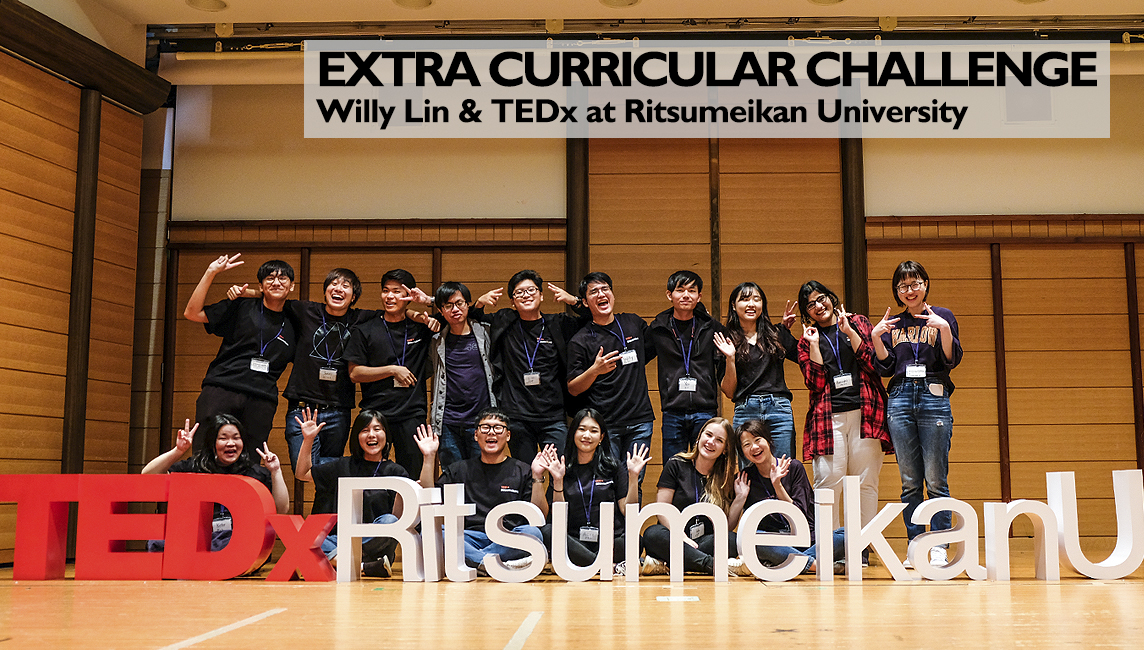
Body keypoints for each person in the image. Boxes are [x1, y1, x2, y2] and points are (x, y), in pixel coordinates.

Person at [228, 267, 374, 472]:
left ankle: (341, 482)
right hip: (302, 408)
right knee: (302, 469)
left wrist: (420, 314)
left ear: (353, 297)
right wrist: (248, 292)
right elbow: (276, 298)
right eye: (333, 284)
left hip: (338, 410)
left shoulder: (361, 318)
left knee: (329, 476)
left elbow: (393, 314)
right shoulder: (306, 310)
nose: (338, 288)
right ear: (325, 292)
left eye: (345, 285)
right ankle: (350, 471)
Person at [872, 260, 963, 568]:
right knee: (909, 479)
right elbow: (884, 367)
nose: (909, 291)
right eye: (902, 286)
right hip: (898, 397)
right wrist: (875, 338)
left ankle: (938, 545)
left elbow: (951, 360)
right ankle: (915, 544)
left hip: (933, 393)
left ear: (926, 283)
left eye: (915, 284)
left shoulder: (943, 317)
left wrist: (945, 330)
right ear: (897, 291)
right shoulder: (893, 324)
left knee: (936, 478)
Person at [796, 281, 892, 565]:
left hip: (865, 412)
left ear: (831, 298)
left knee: (865, 483)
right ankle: (831, 550)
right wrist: (813, 346)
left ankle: (860, 548)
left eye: (821, 299)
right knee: (828, 484)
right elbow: (814, 383)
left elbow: (874, 363)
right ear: (807, 312)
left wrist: (849, 332)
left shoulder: (858, 322)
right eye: (810, 304)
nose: (818, 306)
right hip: (828, 419)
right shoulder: (806, 340)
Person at [468, 270, 591, 465]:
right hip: (517, 416)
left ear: (541, 295)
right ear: (512, 301)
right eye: (519, 292)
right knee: (525, 473)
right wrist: (480, 303)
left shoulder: (557, 324)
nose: (525, 295)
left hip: (552, 416)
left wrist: (574, 301)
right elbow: (470, 318)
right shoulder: (504, 321)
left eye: (531, 290)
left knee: (561, 468)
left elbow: (592, 317)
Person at [184, 254, 297, 452]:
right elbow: (192, 313)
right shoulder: (241, 305)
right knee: (205, 453)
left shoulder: (296, 320)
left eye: (282, 278)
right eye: (270, 278)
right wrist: (211, 272)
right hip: (222, 388)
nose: (276, 282)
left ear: (292, 286)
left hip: (262, 399)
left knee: (250, 461)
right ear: (261, 286)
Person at [414, 408, 547, 572]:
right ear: (476, 435)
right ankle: (491, 564)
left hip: (508, 538)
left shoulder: (523, 470)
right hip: (468, 538)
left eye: (498, 428)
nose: (491, 433)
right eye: (485, 427)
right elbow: (430, 497)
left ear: (508, 435)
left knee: (533, 533)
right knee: (433, 531)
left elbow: (539, 514)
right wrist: (428, 457)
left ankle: (475, 561)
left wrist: (537, 476)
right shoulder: (459, 469)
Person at [567, 272, 656, 498]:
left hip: (639, 420)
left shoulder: (633, 323)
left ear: (613, 295)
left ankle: (630, 532)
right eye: (594, 292)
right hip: (607, 425)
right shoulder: (581, 339)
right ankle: (613, 532)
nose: (601, 294)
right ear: (585, 302)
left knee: (636, 480)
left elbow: (654, 346)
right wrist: (595, 370)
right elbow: (573, 387)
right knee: (608, 483)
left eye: (605, 289)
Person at [142, 414, 289, 551]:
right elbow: (148, 475)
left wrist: (276, 471)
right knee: (156, 544)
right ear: (212, 443)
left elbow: (282, 509)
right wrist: (178, 451)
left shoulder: (254, 472)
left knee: (227, 545)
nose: (231, 443)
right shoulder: (196, 466)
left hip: (237, 541)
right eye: (223, 438)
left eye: (236, 438)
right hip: (199, 536)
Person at [294, 408, 409, 578]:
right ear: (356, 436)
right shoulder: (343, 465)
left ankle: (337, 561)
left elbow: (398, 523)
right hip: (339, 541)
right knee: (306, 535)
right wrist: (308, 440)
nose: (371, 435)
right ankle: (364, 567)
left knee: (390, 521)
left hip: (374, 547)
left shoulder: (396, 471)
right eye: (365, 430)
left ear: (386, 435)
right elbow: (302, 474)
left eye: (377, 429)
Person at [345, 269, 437, 477]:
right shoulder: (365, 329)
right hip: (376, 414)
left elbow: (455, 310)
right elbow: (355, 373)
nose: (390, 296)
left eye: (397, 292)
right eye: (385, 291)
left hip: (412, 413)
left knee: (414, 474)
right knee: (369, 474)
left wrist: (427, 301)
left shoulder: (420, 326)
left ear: (408, 296)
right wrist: (392, 370)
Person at [538, 409, 650, 575]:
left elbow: (628, 511)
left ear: (601, 437)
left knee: (635, 540)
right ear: (573, 432)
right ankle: (606, 567)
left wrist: (633, 477)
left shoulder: (614, 467)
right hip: (575, 541)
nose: (587, 435)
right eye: (581, 429)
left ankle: (587, 565)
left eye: (593, 431)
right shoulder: (563, 467)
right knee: (548, 532)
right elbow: (557, 515)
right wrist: (558, 481)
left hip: (610, 541)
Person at [729, 419, 845, 575]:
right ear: (742, 452)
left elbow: (800, 514)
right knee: (752, 539)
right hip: (773, 543)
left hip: (807, 540)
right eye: (746, 445)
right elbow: (732, 526)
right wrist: (740, 498)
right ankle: (816, 565)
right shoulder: (745, 478)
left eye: (757, 440)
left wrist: (778, 485)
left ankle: (787, 563)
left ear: (768, 440)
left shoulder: (794, 467)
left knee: (847, 534)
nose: (754, 447)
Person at [640, 417, 751, 577]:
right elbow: (662, 509)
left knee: (732, 540)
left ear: (725, 449)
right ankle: (711, 565)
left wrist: (740, 498)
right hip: (674, 537)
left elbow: (725, 527)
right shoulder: (676, 464)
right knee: (652, 534)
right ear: (699, 437)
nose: (711, 442)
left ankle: (669, 564)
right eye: (708, 435)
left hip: (703, 543)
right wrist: (681, 536)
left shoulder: (725, 478)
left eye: (719, 440)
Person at [714, 281, 800, 460]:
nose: (751, 304)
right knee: (749, 474)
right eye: (744, 299)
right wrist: (730, 358)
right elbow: (729, 391)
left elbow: (806, 359)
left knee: (783, 468)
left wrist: (792, 332)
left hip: (779, 409)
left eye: (756, 299)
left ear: (763, 304)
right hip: (746, 409)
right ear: (733, 305)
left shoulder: (777, 334)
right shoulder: (726, 340)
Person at [648, 271, 727, 459]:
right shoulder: (658, 329)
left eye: (692, 291)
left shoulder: (712, 328)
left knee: (707, 467)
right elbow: (639, 358)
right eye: (680, 290)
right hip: (672, 410)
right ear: (669, 295)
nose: (686, 295)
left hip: (705, 410)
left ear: (699, 296)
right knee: (673, 468)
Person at [430, 281, 496, 466]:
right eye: (448, 306)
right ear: (441, 311)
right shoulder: (436, 339)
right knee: (452, 478)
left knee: (482, 475)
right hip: (448, 420)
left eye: (459, 303)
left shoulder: (486, 331)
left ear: (468, 304)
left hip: (482, 419)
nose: (455, 309)